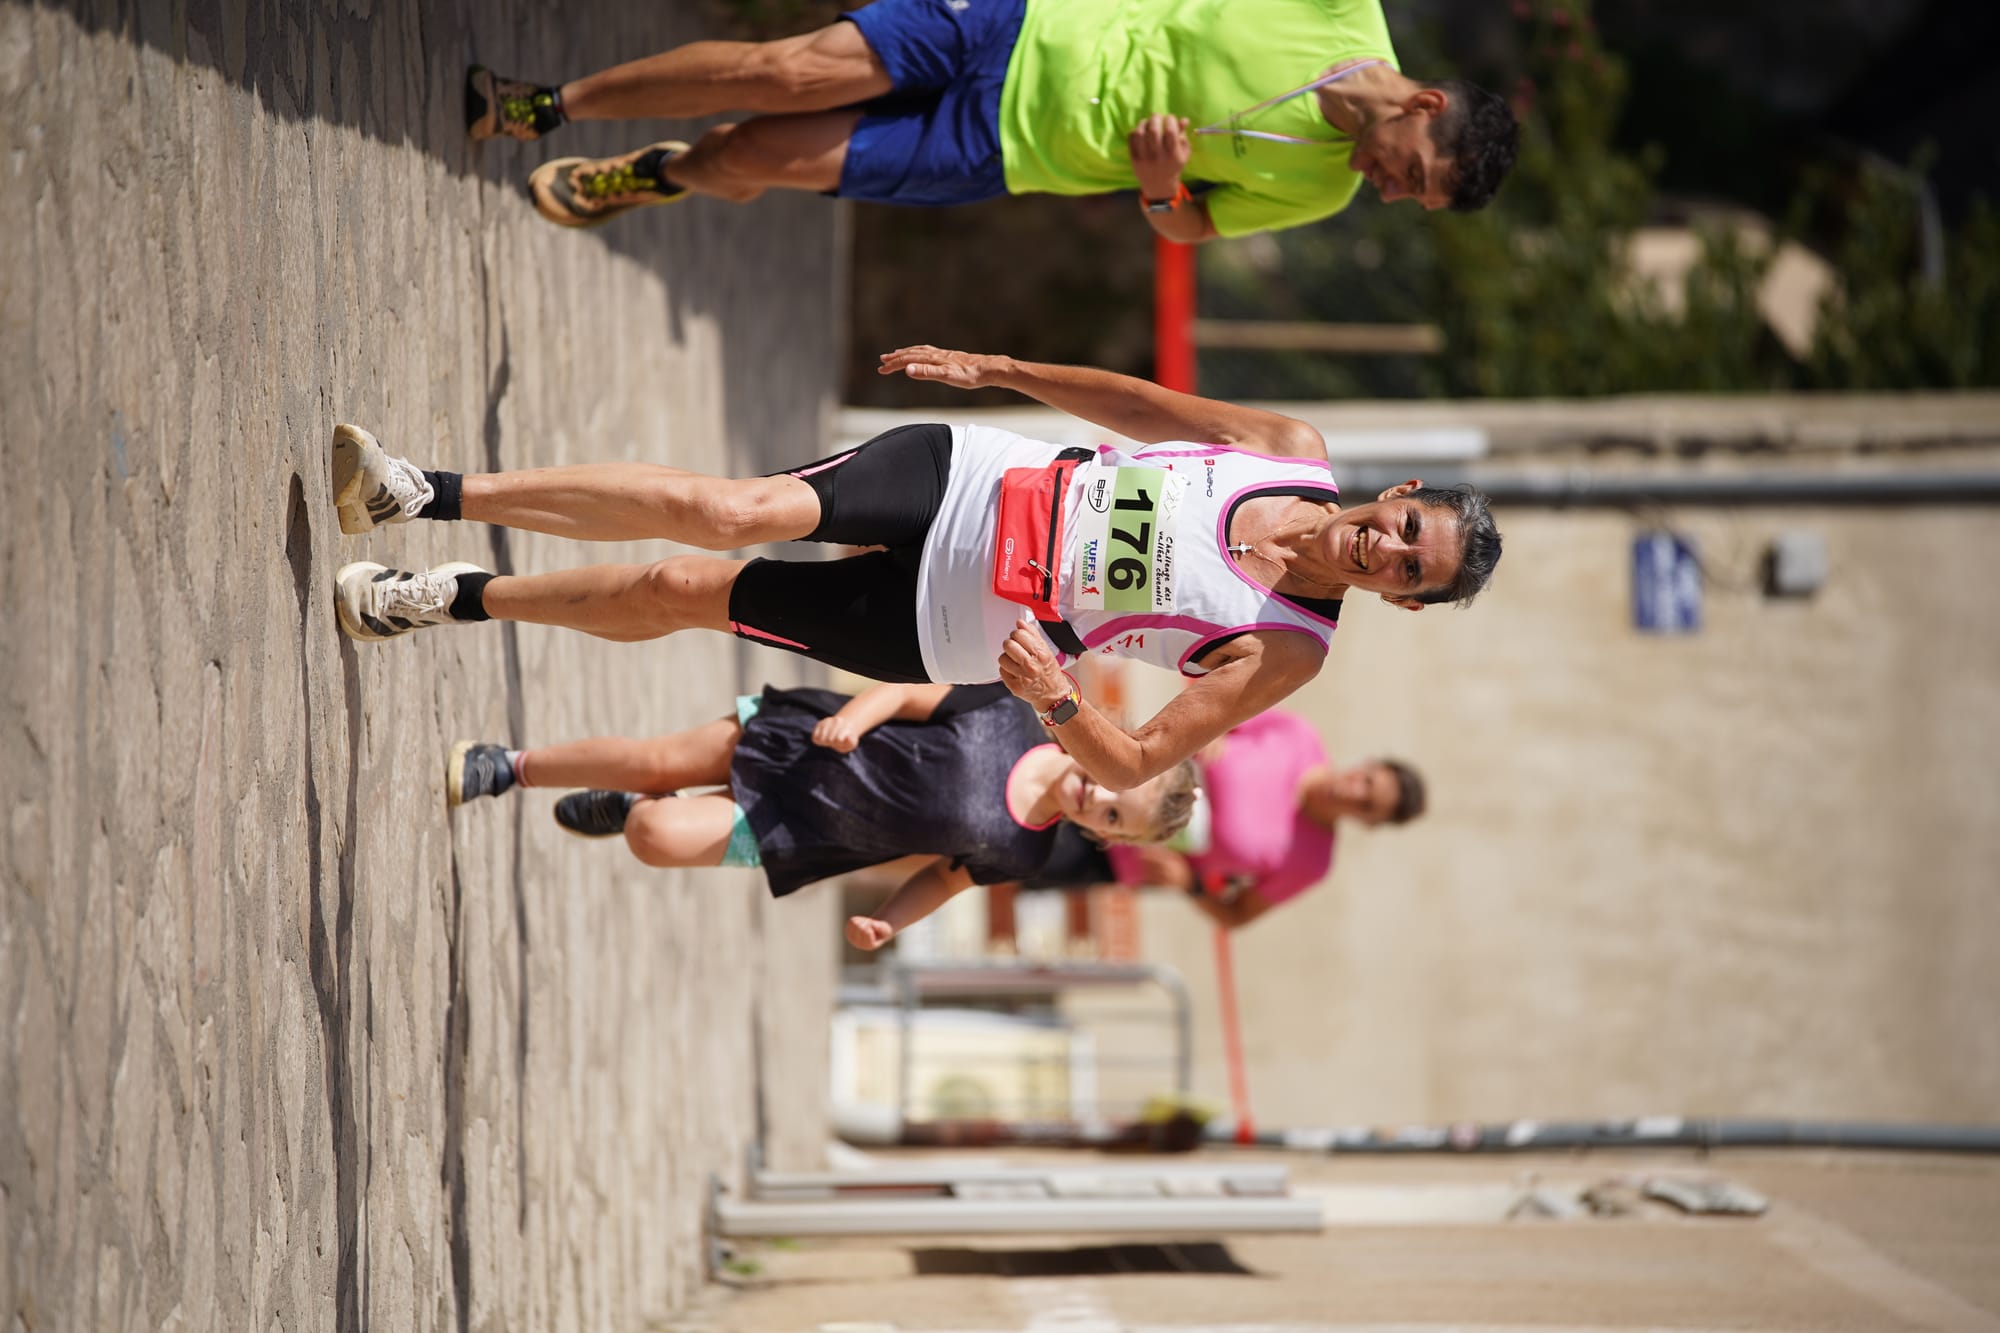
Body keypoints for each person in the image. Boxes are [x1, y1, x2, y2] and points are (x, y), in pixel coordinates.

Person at [327, 342, 1501, 792]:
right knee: (726, 508)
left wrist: (1050, 697)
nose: (1389, 554)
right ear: (1397, 498)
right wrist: (997, 367)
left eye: (1411, 573)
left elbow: (1139, 757)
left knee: (674, 591)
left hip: (947, 620)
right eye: (1408, 531)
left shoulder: (1284, 648)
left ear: (1403, 602)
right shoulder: (1284, 449)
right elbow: (1137, 404)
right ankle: (421, 492)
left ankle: (444, 601)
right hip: (975, 476)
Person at [465, 0, 1518, 239]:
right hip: (1012, 27)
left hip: (1001, 149)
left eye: (1409, 198)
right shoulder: (1336, 10)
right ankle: (548, 106)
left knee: (753, 153)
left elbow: (1186, 228)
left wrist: (1158, 186)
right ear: (1421, 107)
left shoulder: (1316, 187)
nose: (1389, 189)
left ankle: (658, 173)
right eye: (1410, 171)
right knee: (780, 70)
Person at [443, 680, 1197, 952]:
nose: (1093, 800)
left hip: (808, 831)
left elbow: (944, 878)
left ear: (1106, 835)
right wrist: (857, 720)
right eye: (1109, 783)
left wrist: (891, 923)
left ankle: (632, 812)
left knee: (654, 836)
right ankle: (510, 766)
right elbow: (906, 694)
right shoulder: (1012, 714)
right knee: (658, 760)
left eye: (1108, 816)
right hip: (806, 747)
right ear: (1114, 749)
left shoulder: (1023, 856)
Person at [1023, 709, 1426, 930]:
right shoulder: (1298, 735)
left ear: (1370, 823)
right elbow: (1215, 708)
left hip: (1113, 854)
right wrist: (1210, 731)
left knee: (1001, 856)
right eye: (1367, 781)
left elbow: (1237, 915)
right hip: (1106, 776)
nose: (1354, 792)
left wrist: (1190, 886)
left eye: (1367, 804)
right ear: (1368, 764)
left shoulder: (1311, 862)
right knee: (1013, 776)